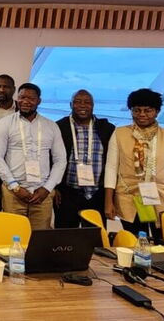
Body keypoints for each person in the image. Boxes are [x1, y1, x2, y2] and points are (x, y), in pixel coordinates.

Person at [0, 83, 67, 230]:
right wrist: (15, 187)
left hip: (42, 193)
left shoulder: (51, 126)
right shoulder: (5, 123)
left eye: (31, 98)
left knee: (39, 238)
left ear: (39, 101)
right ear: (17, 98)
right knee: (13, 236)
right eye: (22, 97)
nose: (26, 101)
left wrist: (47, 188)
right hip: (13, 192)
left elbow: (60, 160)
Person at [105, 88, 164, 238]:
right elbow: (111, 168)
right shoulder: (120, 133)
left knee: (161, 241)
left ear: (157, 111)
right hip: (130, 197)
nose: (142, 114)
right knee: (135, 242)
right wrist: (108, 201)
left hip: (160, 197)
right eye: (137, 110)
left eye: (148, 110)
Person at [53, 89, 114, 228]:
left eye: (87, 102)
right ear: (70, 105)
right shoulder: (59, 127)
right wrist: (55, 187)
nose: (82, 105)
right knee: (66, 236)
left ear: (93, 105)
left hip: (97, 194)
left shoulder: (107, 129)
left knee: (95, 236)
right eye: (77, 102)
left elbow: (112, 163)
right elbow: (51, 158)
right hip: (67, 193)